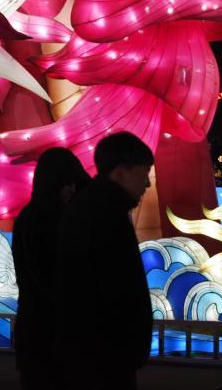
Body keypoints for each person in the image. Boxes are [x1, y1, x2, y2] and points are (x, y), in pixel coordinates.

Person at [56, 132, 154, 390]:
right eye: (144, 172)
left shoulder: (98, 208)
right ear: (120, 172)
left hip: (98, 353)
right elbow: (113, 289)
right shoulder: (102, 215)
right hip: (104, 356)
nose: (147, 183)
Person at [12, 147, 89, 390]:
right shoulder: (50, 220)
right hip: (51, 334)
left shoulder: (29, 217)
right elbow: (50, 277)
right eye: (66, 184)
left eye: (73, 184)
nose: (71, 189)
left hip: (35, 331)